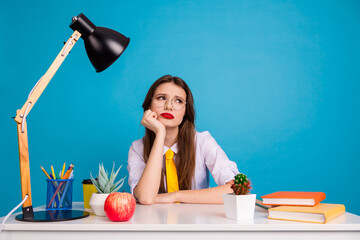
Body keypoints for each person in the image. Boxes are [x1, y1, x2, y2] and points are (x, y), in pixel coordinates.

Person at [127, 75, 239, 205]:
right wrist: (160, 134)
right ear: (148, 106)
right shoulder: (137, 148)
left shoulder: (202, 141)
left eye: (178, 101)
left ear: (186, 111)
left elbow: (236, 190)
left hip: (196, 222)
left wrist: (175, 196)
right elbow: (145, 198)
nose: (169, 106)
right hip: (155, 223)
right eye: (161, 98)